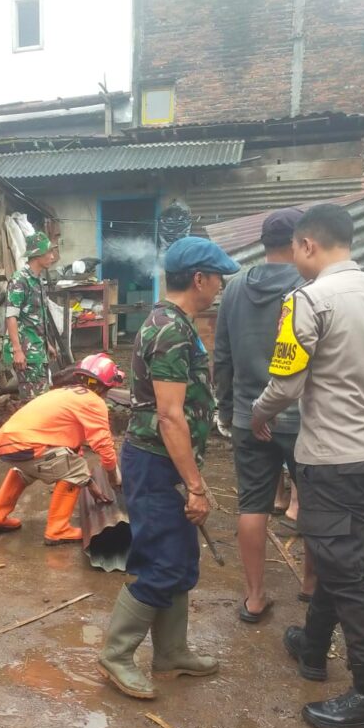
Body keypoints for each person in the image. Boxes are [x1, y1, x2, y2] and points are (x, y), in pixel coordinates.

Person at [252, 204, 364, 728]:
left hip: (332, 459)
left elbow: (285, 383)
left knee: (346, 570)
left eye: (296, 252)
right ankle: (312, 646)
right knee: (341, 551)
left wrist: (260, 414)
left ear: (307, 245)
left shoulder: (306, 301)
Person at [98, 237, 239, 700]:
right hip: (157, 462)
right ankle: (116, 655)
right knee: (161, 562)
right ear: (199, 278)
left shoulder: (171, 321)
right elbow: (170, 414)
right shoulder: (173, 329)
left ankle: (171, 653)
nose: (219, 287)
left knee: (178, 558)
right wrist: (196, 487)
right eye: (217, 278)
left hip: (165, 461)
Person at [213, 208, 317, 621]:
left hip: (247, 416)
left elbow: (222, 357)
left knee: (252, 505)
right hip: (302, 419)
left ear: (263, 243)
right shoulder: (311, 285)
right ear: (299, 242)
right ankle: (310, 586)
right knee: (311, 500)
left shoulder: (234, 288)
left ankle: (254, 598)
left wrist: (226, 409)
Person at [0, 353, 124, 545]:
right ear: (104, 385)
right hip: (28, 444)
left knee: (27, 469)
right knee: (76, 467)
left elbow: (69, 448)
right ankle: (58, 529)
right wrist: (113, 477)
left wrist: (89, 484)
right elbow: (103, 444)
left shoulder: (66, 393)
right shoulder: (94, 401)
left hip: (9, 442)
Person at [3, 231, 59, 401]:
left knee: (41, 400)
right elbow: (11, 316)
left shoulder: (38, 280)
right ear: (37, 255)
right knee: (32, 403)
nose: (52, 256)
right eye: (48, 252)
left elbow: (35, 317)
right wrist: (17, 350)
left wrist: (46, 343)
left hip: (37, 348)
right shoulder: (20, 280)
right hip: (26, 353)